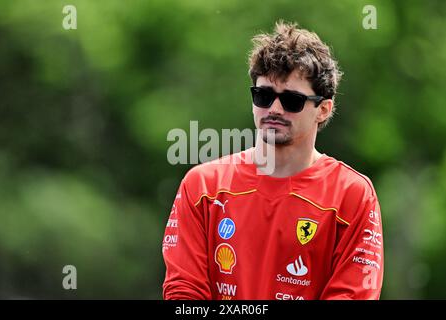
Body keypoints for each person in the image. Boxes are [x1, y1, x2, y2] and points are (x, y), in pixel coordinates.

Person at [162, 21, 384, 300]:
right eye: (264, 96)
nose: (275, 109)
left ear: (323, 110)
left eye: (292, 101)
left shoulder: (352, 194)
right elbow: (184, 294)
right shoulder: (203, 186)